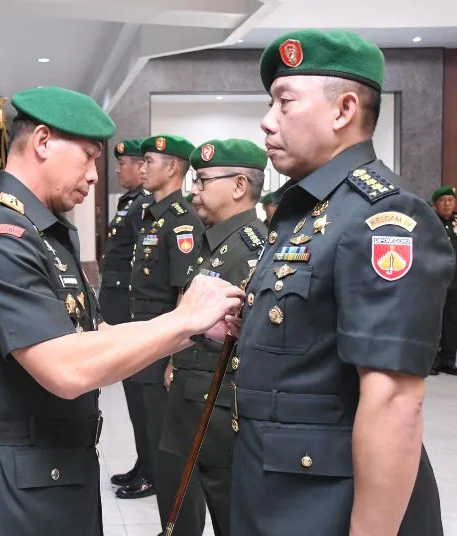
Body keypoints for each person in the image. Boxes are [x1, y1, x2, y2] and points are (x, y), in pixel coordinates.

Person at [0, 86, 243, 536]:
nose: (95, 175)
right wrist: (182, 318)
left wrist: (191, 330)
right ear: (42, 142)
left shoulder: (44, 232)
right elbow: (65, 368)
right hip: (11, 482)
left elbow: (97, 335)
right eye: (87, 157)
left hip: (54, 467)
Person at [230, 29, 453, 536]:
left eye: (285, 101)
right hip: (278, 485)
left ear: (343, 110)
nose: (267, 120)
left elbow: (395, 400)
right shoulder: (308, 213)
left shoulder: (384, 218)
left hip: (328, 501)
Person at [160, 139, 268, 536]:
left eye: (203, 181)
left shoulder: (256, 250)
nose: (194, 190)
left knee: (230, 517)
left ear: (239, 185)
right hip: (192, 401)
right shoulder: (214, 242)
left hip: (222, 413)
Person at [121, 134, 204, 517]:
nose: (142, 168)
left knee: (169, 446)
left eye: (149, 162)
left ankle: (178, 524)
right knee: (152, 434)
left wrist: (174, 357)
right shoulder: (154, 216)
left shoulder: (182, 221)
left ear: (172, 168)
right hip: (145, 339)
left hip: (163, 346)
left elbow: (184, 295)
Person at [98, 138, 154, 492]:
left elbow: (143, 263)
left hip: (132, 312)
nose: (118, 170)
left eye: (124, 164)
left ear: (140, 166)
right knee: (133, 396)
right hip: (120, 312)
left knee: (141, 397)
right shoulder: (129, 203)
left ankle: (150, 470)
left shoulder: (144, 205)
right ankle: (143, 463)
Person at [430, 185, 457, 375]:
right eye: (442, 200)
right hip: (436, 280)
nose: (447, 204)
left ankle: (448, 360)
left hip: (455, 281)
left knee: (451, 322)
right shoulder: (430, 222)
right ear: (434, 204)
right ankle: (432, 361)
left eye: (451, 200)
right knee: (434, 321)